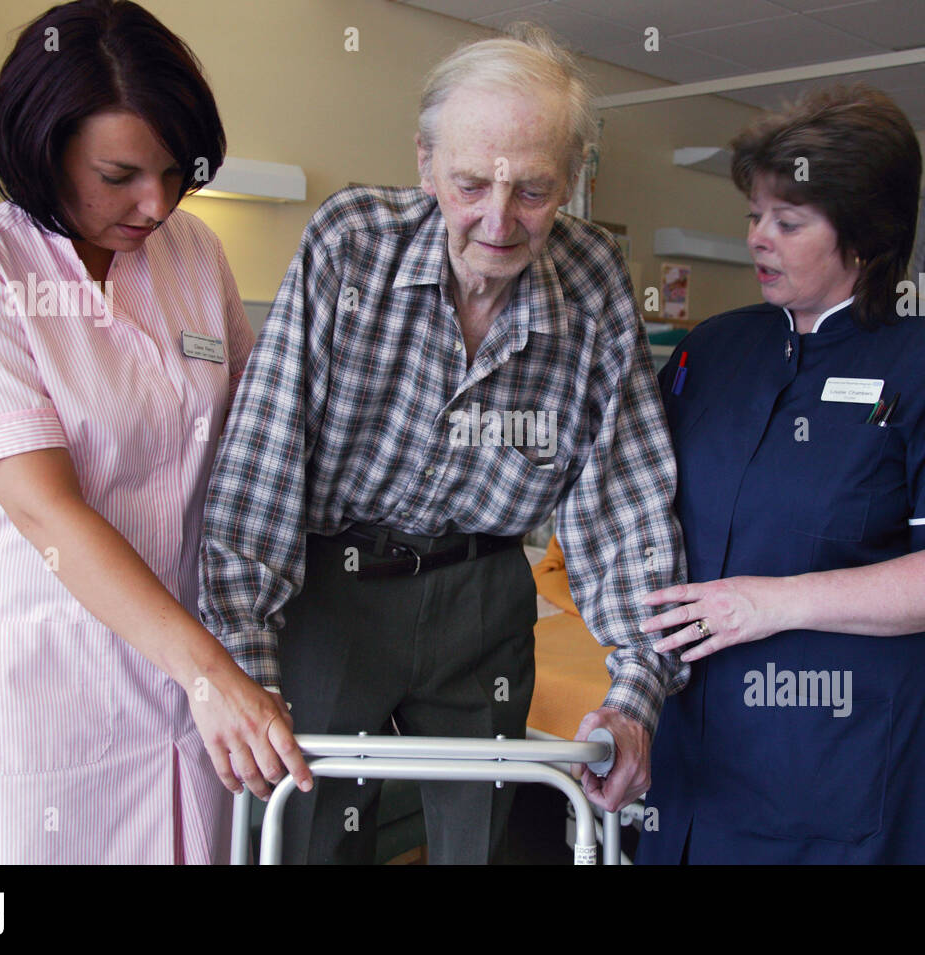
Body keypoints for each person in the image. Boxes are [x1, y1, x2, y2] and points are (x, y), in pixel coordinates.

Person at [200, 24, 685, 864]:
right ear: (424, 162)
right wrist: (247, 668)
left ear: (571, 180)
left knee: (480, 845)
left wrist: (636, 693)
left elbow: (626, 502)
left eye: (533, 191)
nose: (499, 222)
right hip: (333, 589)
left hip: (483, 594)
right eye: (469, 184)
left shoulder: (597, 279)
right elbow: (260, 472)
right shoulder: (351, 244)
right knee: (310, 837)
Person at [0, 0, 309, 865]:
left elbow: (254, 435)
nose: (155, 203)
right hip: (40, 682)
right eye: (119, 174)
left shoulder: (192, 253)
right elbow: (47, 511)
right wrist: (207, 670)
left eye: (171, 172)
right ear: (43, 150)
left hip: (182, 686)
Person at [637, 84, 925, 865]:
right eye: (754, 216)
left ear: (865, 233)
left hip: (844, 760)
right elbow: (636, 496)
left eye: (788, 221)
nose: (757, 240)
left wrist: (770, 602)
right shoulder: (709, 352)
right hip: (698, 750)